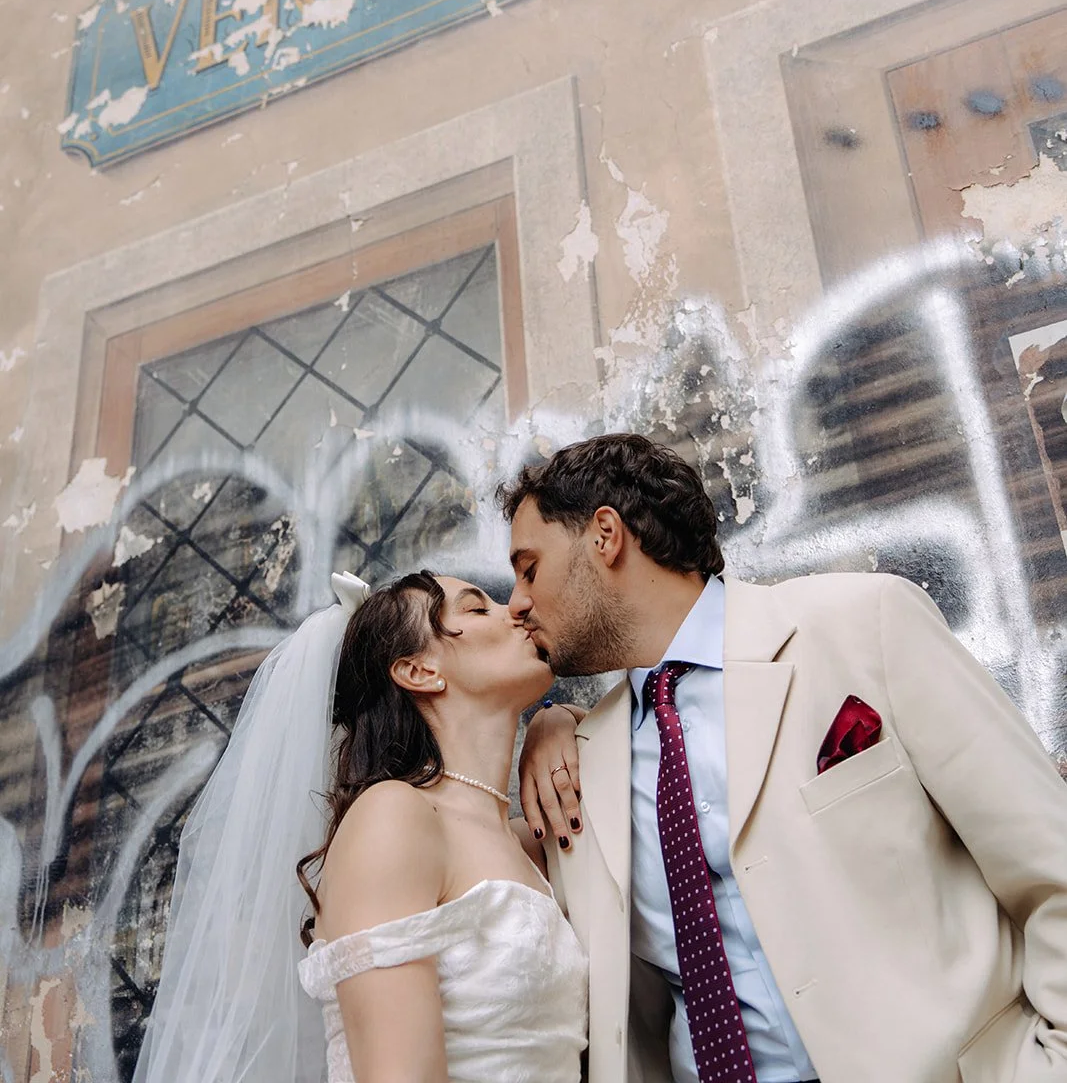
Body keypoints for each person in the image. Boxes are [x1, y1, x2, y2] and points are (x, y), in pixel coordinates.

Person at [501, 432, 1067, 1083]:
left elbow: (1048, 864)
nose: (515, 603)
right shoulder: (578, 762)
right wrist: (550, 722)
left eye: (529, 568)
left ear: (605, 535)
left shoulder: (862, 625)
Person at [132, 568, 587, 1083]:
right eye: (479, 609)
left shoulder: (531, 843)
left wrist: (559, 720)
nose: (517, 610)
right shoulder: (393, 817)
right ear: (418, 671)